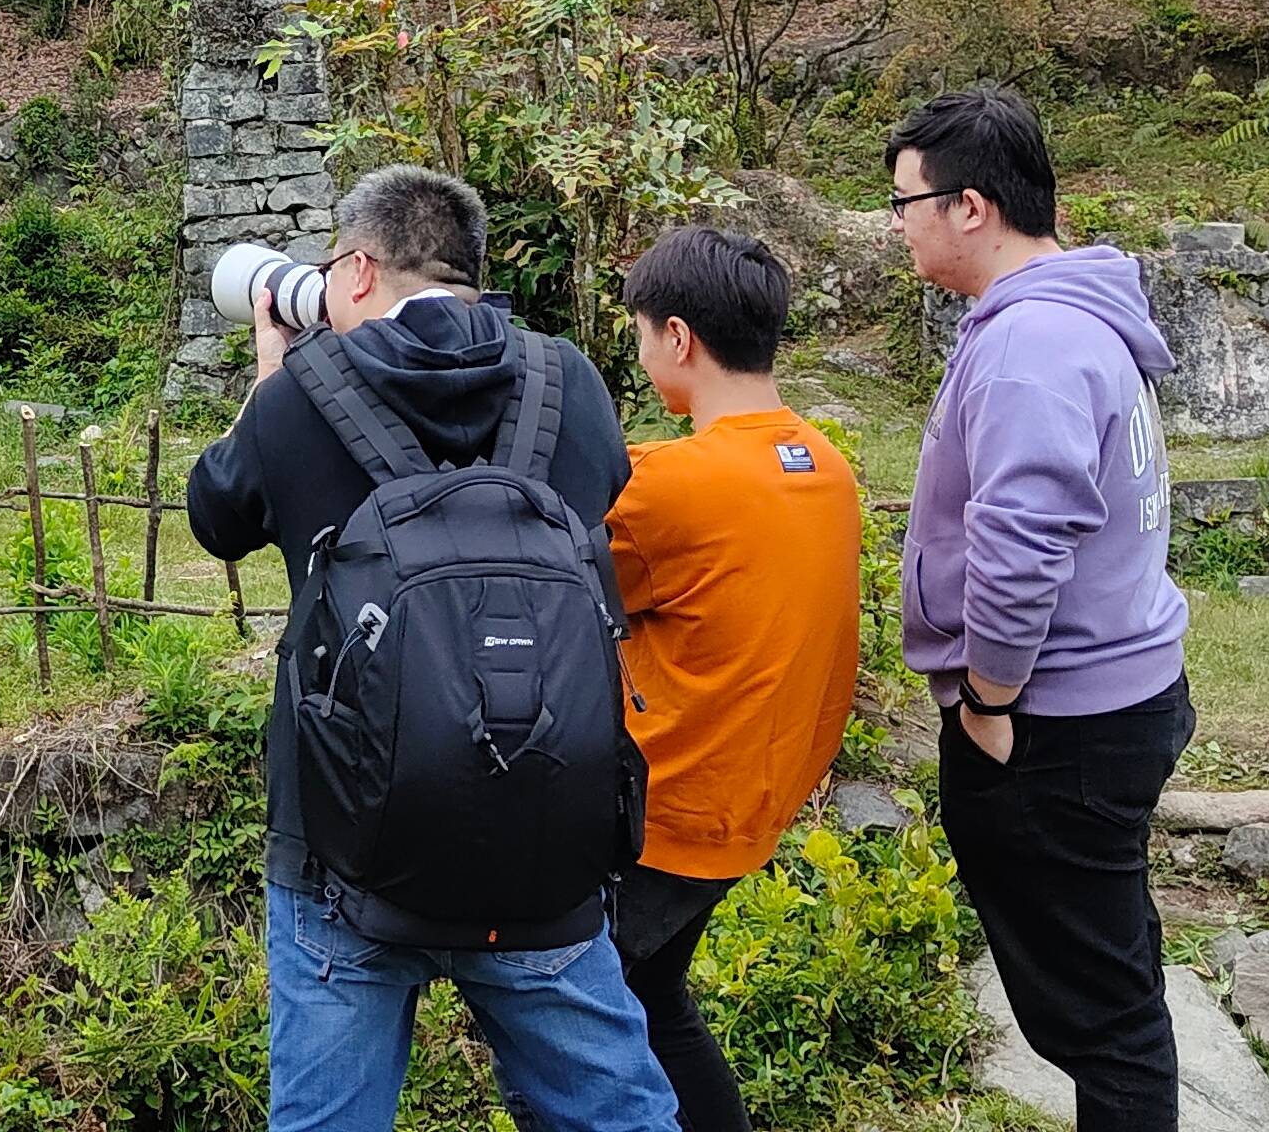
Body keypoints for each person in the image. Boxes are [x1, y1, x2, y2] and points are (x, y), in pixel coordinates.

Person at [186, 164, 680, 1132]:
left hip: (343, 854)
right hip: (544, 839)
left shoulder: (301, 395)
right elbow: (603, 498)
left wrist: (271, 377)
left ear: (358, 271)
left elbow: (215, 516)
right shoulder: (568, 383)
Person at [887, 87, 1193, 1132]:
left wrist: (986, 697)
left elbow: (1022, 544)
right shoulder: (1069, 317)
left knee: (1100, 1026)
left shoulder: (1034, 343)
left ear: (969, 205)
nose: (899, 225)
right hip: (1105, 697)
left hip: (1053, 722)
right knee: (1108, 984)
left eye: (905, 203)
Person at [603, 227, 864, 1132]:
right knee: (654, 1000)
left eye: (640, 335)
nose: (641, 358)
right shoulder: (824, 466)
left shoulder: (671, 485)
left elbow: (568, 588)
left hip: (662, 817)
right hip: (755, 801)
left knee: (572, 1030)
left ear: (677, 338)